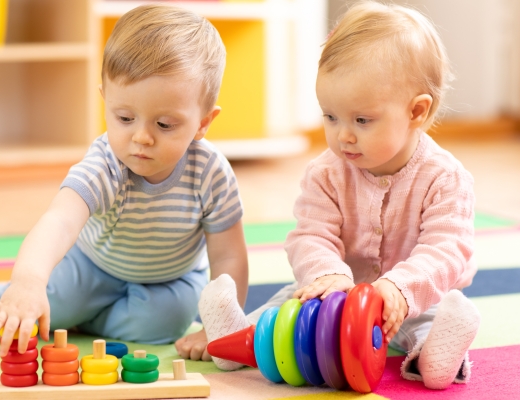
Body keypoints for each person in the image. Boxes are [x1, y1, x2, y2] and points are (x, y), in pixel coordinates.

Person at [0, 4, 249, 358]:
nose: (141, 137)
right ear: (105, 101)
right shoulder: (105, 164)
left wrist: (220, 329)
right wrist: (28, 282)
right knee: (42, 304)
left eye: (164, 125)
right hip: (93, 265)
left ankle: (83, 318)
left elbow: (229, 254)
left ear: (203, 122)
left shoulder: (211, 172)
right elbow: (60, 222)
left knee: (165, 325)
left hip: (172, 279)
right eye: (124, 117)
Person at [195, 0, 480, 390]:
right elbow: (310, 235)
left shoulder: (446, 178)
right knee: (285, 313)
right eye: (330, 116)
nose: (342, 134)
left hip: (415, 301)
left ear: (416, 112)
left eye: (362, 120)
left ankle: (437, 357)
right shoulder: (326, 172)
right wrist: (327, 274)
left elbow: (447, 250)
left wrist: (398, 289)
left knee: (433, 321)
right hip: (335, 298)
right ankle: (236, 336)